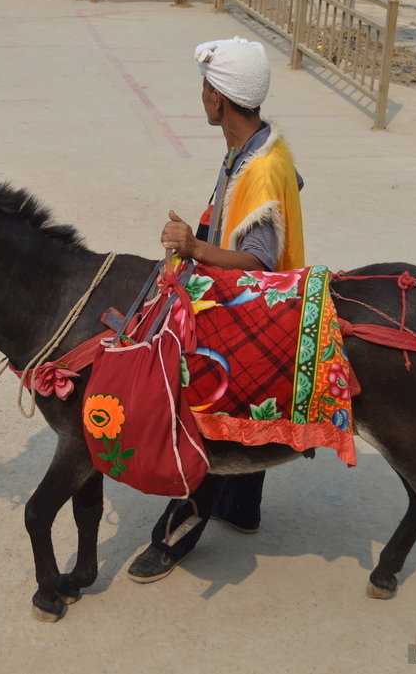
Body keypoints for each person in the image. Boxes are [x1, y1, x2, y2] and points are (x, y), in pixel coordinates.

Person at [127, 36, 306, 584]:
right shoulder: (253, 145)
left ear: (220, 98)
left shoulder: (260, 168)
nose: (201, 95)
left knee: (196, 395)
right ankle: (242, 508)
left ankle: (180, 529)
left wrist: (196, 248)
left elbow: (257, 261)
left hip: (260, 305)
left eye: (206, 86)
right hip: (255, 292)